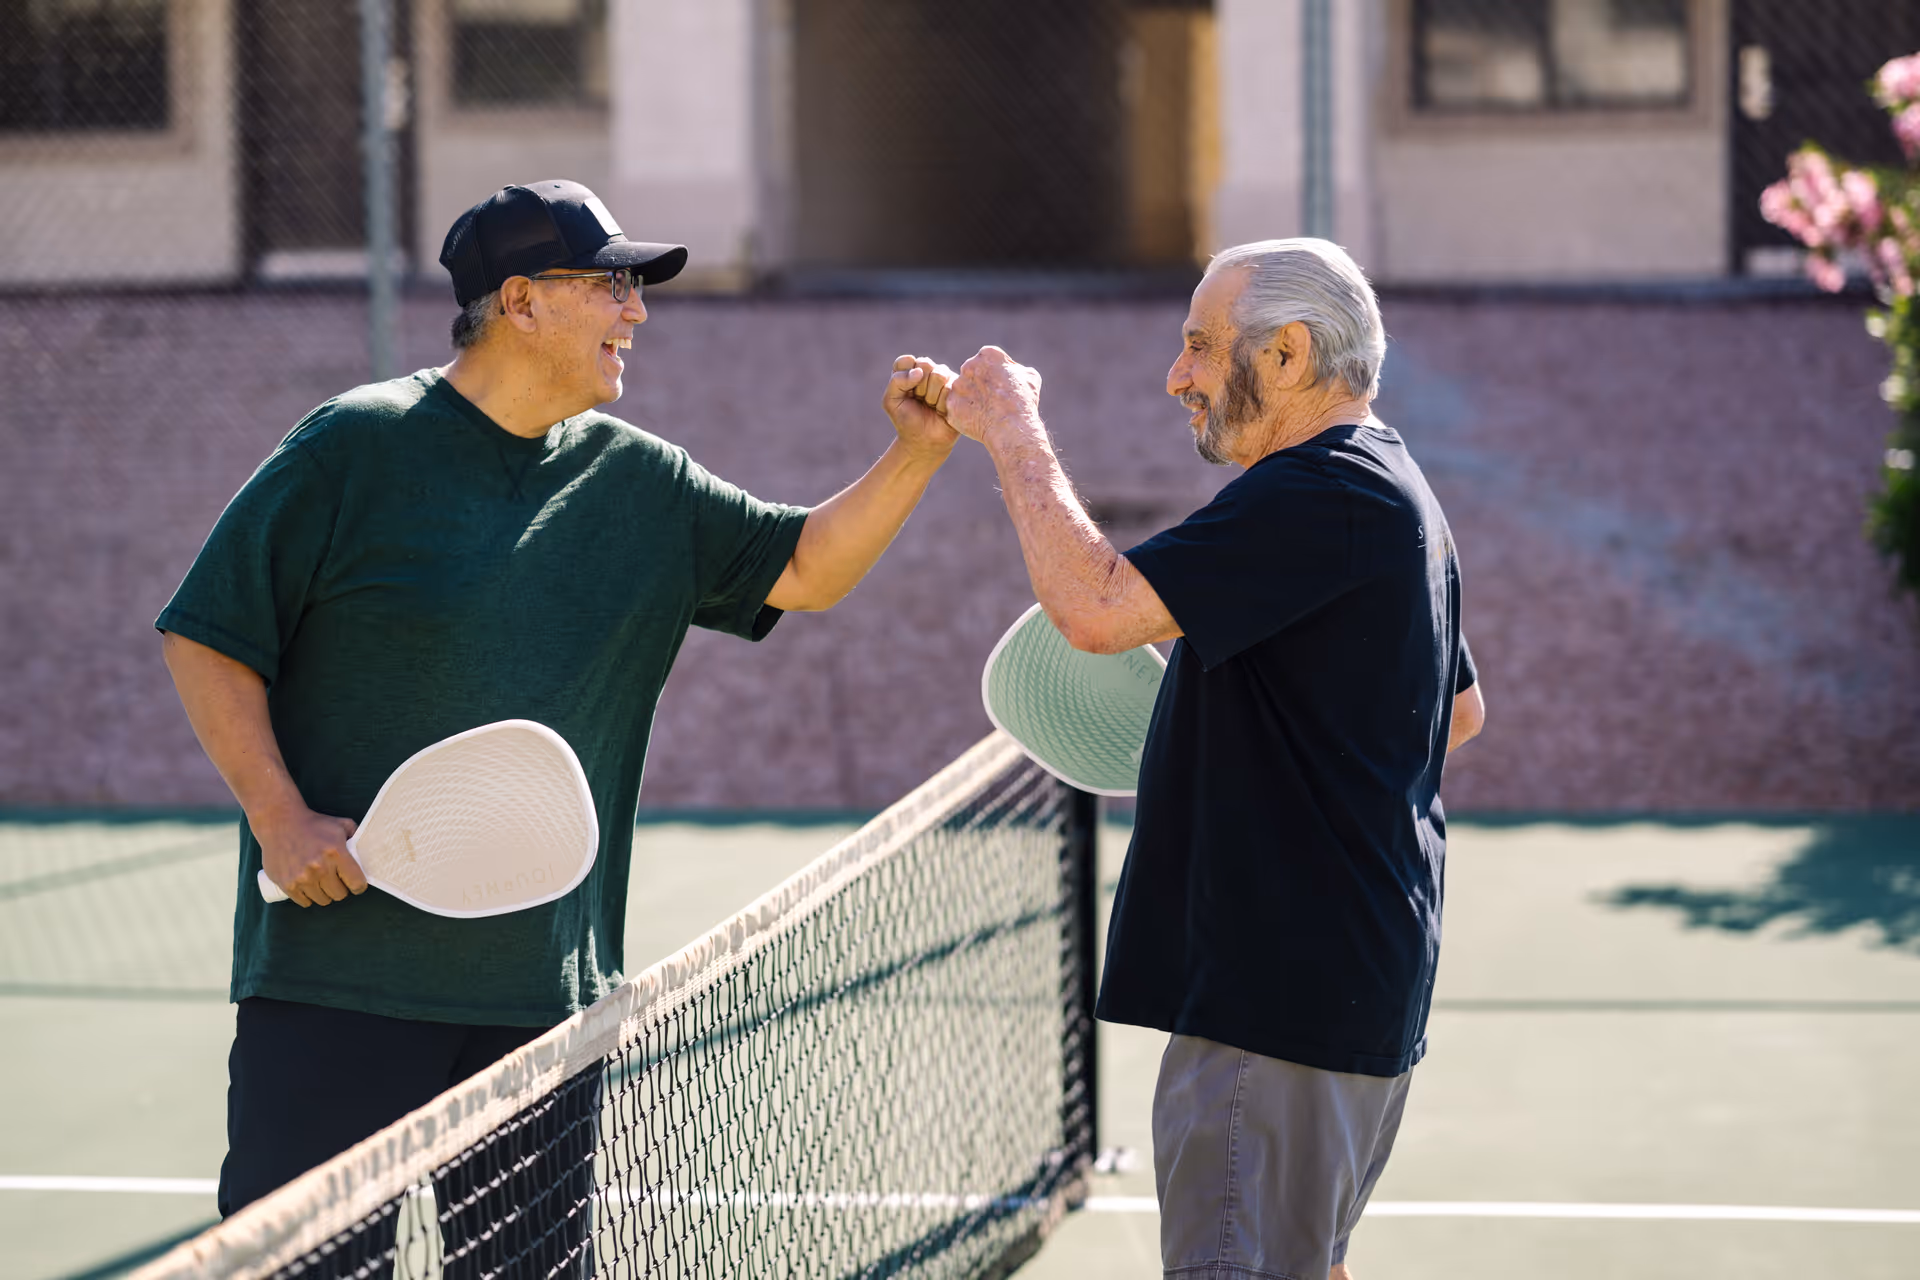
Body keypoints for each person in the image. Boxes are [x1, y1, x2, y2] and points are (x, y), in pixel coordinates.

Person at [157, 180, 960, 1255]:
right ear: (523, 301)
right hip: (338, 989)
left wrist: (916, 453)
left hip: (541, 1004)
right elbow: (208, 631)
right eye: (613, 285)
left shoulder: (640, 481)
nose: (637, 312)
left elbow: (805, 568)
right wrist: (280, 817)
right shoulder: (352, 447)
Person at [929, 238, 1483, 1280]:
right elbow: (1458, 713)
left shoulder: (1320, 494)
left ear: (1285, 355)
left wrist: (1008, 425)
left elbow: (1094, 608)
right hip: (1355, 996)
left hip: (1273, 1008)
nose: (1176, 375)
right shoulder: (1400, 492)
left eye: (1198, 345)